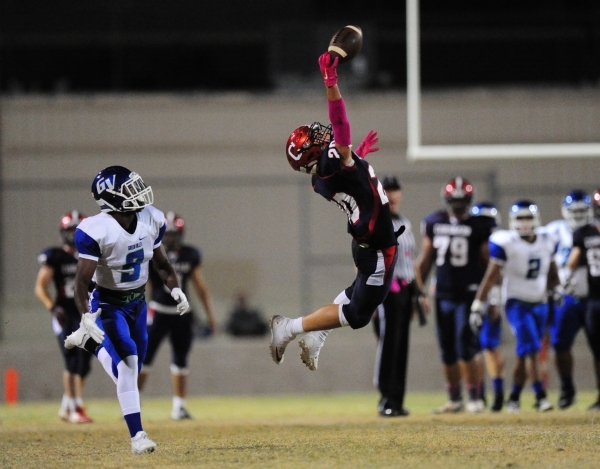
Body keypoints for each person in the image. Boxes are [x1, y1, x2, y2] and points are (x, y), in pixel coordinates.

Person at [269, 51, 400, 372]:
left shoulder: (328, 173)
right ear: (315, 153)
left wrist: (360, 157)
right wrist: (331, 82)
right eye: (317, 138)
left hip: (368, 245)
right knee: (358, 315)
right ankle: (290, 327)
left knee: (357, 292)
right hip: (377, 248)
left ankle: (318, 335)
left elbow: (355, 179)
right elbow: (341, 122)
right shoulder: (332, 164)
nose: (324, 134)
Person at [63, 165, 190, 454]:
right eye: (130, 188)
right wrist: (86, 315)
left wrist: (176, 288)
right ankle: (138, 436)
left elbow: (162, 264)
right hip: (108, 304)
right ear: (111, 197)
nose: (138, 191)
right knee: (128, 366)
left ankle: (92, 344)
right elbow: (80, 282)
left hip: (138, 303)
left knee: (132, 367)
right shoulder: (96, 230)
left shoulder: (152, 218)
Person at [470, 200, 559, 413]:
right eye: (520, 218)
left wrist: (556, 289)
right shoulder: (506, 243)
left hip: (540, 303)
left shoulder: (547, 240)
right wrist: (477, 304)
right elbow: (490, 277)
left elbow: (552, 270)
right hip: (516, 303)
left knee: (525, 352)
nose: (525, 223)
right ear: (512, 221)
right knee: (532, 348)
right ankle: (540, 395)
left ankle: (514, 397)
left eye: (528, 218)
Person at [415, 177, 495, 414]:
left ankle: (474, 396)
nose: (458, 205)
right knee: (447, 350)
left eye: (462, 201)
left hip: (468, 294)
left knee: (466, 346)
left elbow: (489, 263)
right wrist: (419, 292)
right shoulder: (435, 222)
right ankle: (454, 398)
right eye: (455, 200)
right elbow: (425, 261)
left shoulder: (480, 225)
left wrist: (488, 296)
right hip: (443, 296)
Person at [138, 211, 217, 420]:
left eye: (175, 234)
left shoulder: (189, 254)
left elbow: (200, 287)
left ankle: (179, 406)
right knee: (145, 358)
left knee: (181, 359)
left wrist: (211, 317)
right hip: (158, 310)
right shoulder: (151, 251)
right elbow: (141, 284)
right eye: (168, 234)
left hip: (182, 312)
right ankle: (133, 404)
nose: (171, 239)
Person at [372, 175, 425, 417]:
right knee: (388, 344)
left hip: (405, 288)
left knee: (401, 346)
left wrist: (419, 292)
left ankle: (397, 399)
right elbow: (365, 259)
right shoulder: (376, 222)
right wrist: (369, 295)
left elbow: (411, 261)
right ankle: (385, 398)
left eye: (395, 190)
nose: (392, 195)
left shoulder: (404, 222)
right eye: (388, 190)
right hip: (385, 289)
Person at [34, 210, 94, 424]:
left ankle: (67, 405)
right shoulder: (55, 256)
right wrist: (52, 308)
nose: (73, 235)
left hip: (86, 313)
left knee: (85, 364)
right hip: (64, 313)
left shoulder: (93, 255)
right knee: (71, 359)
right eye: (70, 230)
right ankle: (76, 407)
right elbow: (40, 287)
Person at [546, 190, 593, 409]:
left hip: (594, 296)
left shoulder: (595, 230)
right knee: (559, 344)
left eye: (583, 211)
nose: (578, 216)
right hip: (567, 297)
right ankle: (567, 388)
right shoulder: (554, 231)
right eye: (574, 211)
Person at [562, 188, 600, 410]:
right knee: (597, 351)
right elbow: (573, 261)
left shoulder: (585, 232)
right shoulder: (584, 233)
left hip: (595, 299)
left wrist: (566, 276)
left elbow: (572, 262)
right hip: (593, 298)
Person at [470, 202, 506, 412]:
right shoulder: (477, 242)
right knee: (479, 348)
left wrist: (494, 300)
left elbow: (497, 276)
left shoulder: (492, 244)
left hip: (484, 299)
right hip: (474, 297)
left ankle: (496, 393)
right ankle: (484, 393)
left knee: (487, 347)